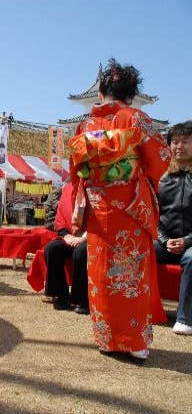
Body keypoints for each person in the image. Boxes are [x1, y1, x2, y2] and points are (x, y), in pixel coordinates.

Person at [68, 59, 171, 363]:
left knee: (100, 274)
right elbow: (160, 161)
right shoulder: (137, 120)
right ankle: (135, 342)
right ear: (131, 92)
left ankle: (107, 340)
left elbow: (77, 169)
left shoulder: (86, 125)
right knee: (131, 277)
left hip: (99, 210)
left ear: (101, 91)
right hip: (131, 209)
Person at [154, 121, 192, 336]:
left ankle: (185, 318)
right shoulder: (162, 177)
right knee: (141, 251)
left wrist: (186, 241)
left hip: (190, 244)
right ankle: (145, 308)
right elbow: (154, 215)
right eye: (175, 141)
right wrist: (164, 240)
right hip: (165, 241)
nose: (179, 146)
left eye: (185, 141)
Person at [43, 182, 89, 314]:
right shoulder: (68, 188)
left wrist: (84, 237)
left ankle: (81, 300)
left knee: (80, 253)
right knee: (52, 249)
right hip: (70, 235)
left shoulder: (97, 187)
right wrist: (67, 235)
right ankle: (60, 295)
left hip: (92, 236)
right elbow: (60, 217)